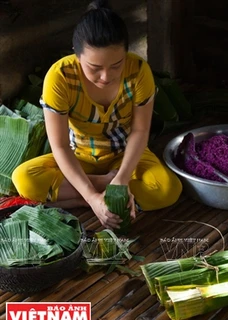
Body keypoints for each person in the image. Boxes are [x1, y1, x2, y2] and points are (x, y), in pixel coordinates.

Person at [12, 0, 182, 230]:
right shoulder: (60, 77)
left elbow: (141, 131)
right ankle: (99, 198)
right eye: (94, 67)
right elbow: (60, 146)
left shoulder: (139, 71)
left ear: (126, 54)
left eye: (116, 65)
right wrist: (92, 196)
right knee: (24, 179)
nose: (105, 76)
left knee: (167, 190)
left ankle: (95, 195)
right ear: (77, 55)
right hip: (79, 157)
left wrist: (122, 180)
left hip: (124, 155)